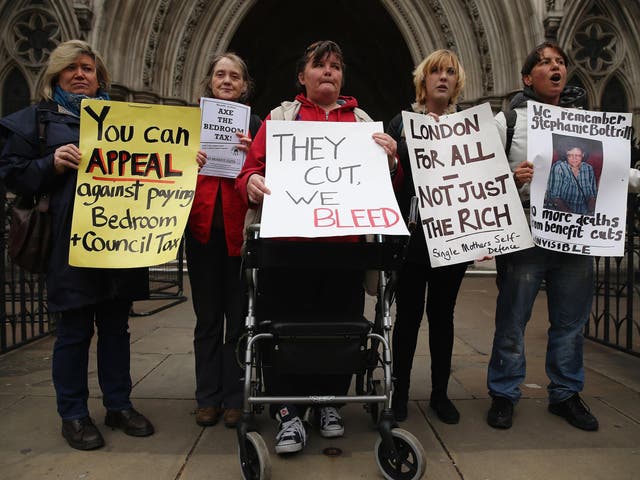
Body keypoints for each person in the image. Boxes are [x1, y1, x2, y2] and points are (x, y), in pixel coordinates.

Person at [0, 40, 202, 450]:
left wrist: (184, 159)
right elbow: (12, 174)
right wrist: (50, 163)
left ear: (99, 78)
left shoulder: (127, 120)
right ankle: (73, 414)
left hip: (120, 242)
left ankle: (118, 405)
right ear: (55, 75)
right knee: (73, 332)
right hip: (67, 246)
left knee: (116, 329)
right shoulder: (36, 122)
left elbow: (156, 167)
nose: (80, 74)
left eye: (88, 68)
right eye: (71, 68)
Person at [236, 40, 398, 454]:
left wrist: (392, 163)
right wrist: (251, 184)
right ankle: (288, 412)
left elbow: (385, 190)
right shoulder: (278, 120)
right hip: (287, 249)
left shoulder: (364, 124)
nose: (329, 71)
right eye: (320, 65)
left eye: (336, 66)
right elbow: (250, 172)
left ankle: (329, 404)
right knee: (283, 330)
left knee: (341, 330)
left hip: (344, 251)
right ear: (302, 77)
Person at [487, 42, 601, 432]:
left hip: (576, 238)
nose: (555, 67)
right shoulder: (510, 122)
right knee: (512, 320)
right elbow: (482, 172)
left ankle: (566, 394)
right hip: (528, 237)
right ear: (527, 77)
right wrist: (510, 178)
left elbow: (614, 176)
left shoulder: (588, 123)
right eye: (545, 62)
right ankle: (504, 393)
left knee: (570, 323)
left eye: (560, 62)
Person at [386, 50, 468, 424]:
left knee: (443, 317)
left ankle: (439, 394)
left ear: (457, 82)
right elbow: (387, 180)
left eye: (450, 72)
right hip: (412, 238)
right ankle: (399, 392)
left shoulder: (469, 126)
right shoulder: (400, 124)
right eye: (436, 71)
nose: (443, 78)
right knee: (407, 318)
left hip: (452, 237)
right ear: (423, 79)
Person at [186, 53, 262, 429]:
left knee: (239, 320)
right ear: (210, 81)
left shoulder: (258, 125)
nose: (227, 80)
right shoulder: (188, 124)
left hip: (240, 236)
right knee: (207, 319)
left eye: (234, 75)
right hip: (201, 234)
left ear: (245, 85)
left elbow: (271, 173)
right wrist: (188, 159)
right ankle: (207, 398)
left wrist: (254, 155)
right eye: (220, 74)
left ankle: (234, 398)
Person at [545, 143, 597, 215]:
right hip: (562, 213)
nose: (574, 158)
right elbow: (555, 198)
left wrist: (590, 212)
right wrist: (572, 216)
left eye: (578, 155)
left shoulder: (588, 168)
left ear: (583, 155)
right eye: (570, 155)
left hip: (584, 213)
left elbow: (592, 195)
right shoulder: (559, 168)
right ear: (565, 155)